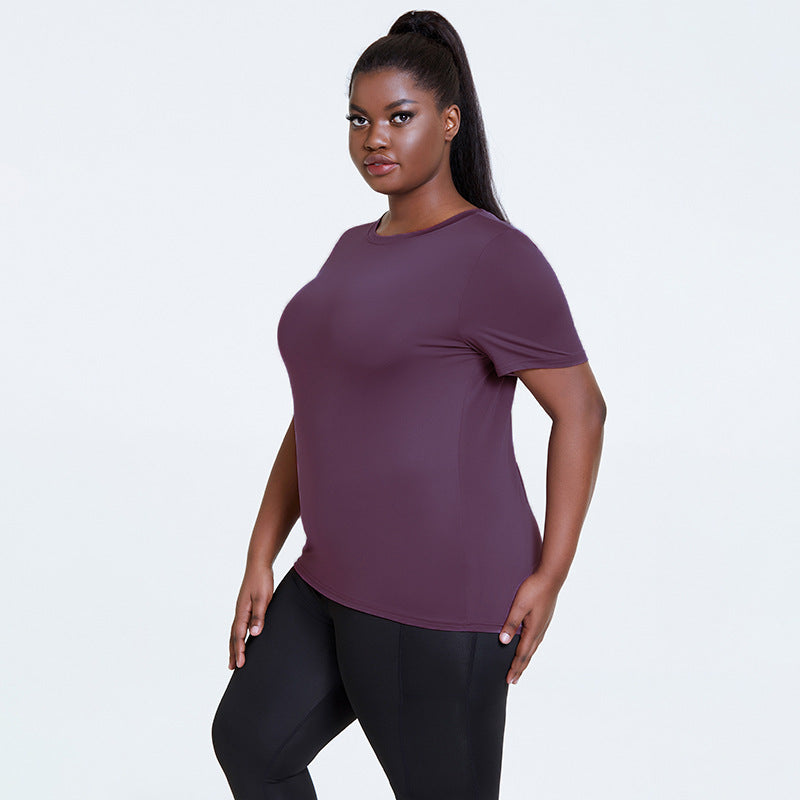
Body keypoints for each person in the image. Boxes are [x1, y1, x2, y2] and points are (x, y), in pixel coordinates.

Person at [211, 9, 606, 800]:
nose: (374, 139)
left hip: (440, 597)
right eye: (358, 120)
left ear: (448, 122)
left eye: (399, 117)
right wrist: (263, 550)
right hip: (330, 577)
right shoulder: (352, 248)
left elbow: (582, 411)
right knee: (251, 743)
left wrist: (552, 573)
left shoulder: (496, 259)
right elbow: (320, 409)